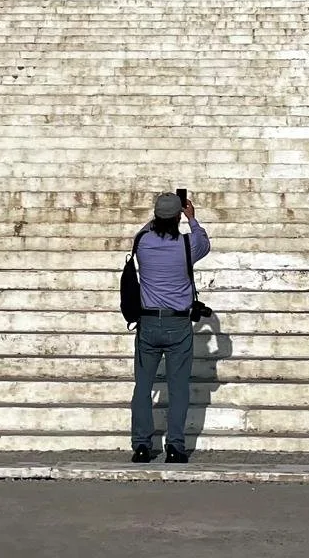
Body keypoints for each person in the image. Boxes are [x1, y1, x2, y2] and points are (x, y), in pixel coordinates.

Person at [130, 192, 211, 463]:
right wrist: (192, 219)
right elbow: (204, 243)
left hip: (148, 321)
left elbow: (145, 229)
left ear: (155, 215)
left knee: (142, 386)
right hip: (178, 323)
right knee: (178, 388)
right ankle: (175, 446)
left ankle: (142, 446)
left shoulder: (142, 242)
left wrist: (161, 216)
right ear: (178, 215)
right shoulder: (188, 246)